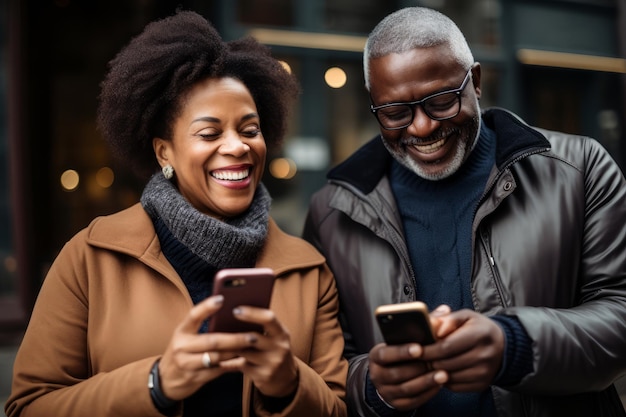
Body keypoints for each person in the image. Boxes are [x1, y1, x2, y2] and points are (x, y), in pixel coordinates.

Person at [5, 10, 348, 417]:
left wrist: (288, 384)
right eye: (210, 133)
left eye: (250, 129)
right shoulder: (90, 258)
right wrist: (157, 383)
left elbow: (337, 408)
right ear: (163, 151)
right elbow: (29, 406)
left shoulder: (309, 271)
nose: (238, 146)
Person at [303, 6, 626, 417]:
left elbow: (620, 311)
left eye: (440, 101)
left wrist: (514, 344)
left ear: (474, 81)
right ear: (374, 106)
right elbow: (326, 365)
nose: (421, 128)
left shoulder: (580, 170)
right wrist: (373, 387)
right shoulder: (331, 212)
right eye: (395, 113)